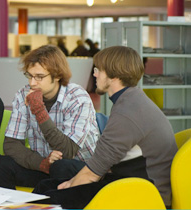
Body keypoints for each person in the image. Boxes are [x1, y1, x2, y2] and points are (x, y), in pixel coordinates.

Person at [34, 46, 177, 209]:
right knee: (46, 188)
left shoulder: (127, 112)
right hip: (133, 184)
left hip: (145, 195)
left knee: (47, 197)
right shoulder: (132, 100)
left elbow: (93, 173)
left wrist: (67, 186)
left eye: (98, 70)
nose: (94, 74)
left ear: (113, 75)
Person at [0, 45, 99, 189]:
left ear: (57, 75)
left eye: (39, 77)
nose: (32, 83)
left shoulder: (77, 98)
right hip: (44, 166)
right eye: (30, 76)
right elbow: (11, 145)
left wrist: (39, 110)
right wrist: (41, 163)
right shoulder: (24, 94)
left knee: (60, 166)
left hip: (80, 170)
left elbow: (68, 150)